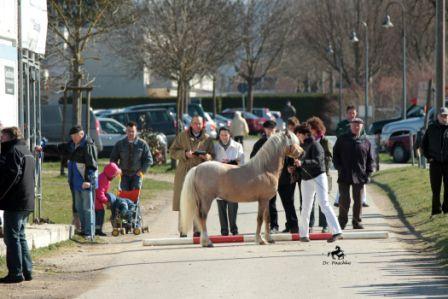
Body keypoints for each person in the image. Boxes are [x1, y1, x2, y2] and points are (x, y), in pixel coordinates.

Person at [293, 124, 342, 243]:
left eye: (298, 134)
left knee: (323, 203)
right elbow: (302, 164)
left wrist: (302, 163)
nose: (297, 136)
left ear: (304, 134)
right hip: (306, 179)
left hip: (319, 176)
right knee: (305, 207)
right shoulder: (300, 146)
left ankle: (337, 231)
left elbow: (318, 161)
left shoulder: (316, 144)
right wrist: (295, 168)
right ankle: (304, 234)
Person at [170, 115, 215, 237]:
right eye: (195, 123)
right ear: (191, 124)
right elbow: (172, 152)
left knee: (198, 202)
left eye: (199, 124)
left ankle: (197, 230)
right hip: (184, 173)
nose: (197, 126)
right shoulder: (182, 136)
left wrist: (207, 157)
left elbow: (213, 155)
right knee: (184, 201)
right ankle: (183, 230)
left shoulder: (207, 139)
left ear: (203, 125)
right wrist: (184, 154)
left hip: (200, 174)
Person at [0, 127, 34, 283]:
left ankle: (15, 273)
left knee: (12, 237)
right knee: (20, 236)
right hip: (26, 201)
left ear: (10, 137)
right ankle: (27, 271)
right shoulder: (26, 150)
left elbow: (12, 177)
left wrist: (0, 195)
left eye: (3, 137)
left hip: (15, 202)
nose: (1, 139)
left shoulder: (13, 151)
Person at [333, 118, 374, 230]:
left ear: (362, 127)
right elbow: (335, 155)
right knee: (344, 200)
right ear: (350, 126)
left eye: (359, 125)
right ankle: (342, 222)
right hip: (344, 174)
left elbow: (370, 160)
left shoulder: (366, 141)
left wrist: (368, 173)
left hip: (360, 175)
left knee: (359, 200)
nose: (356, 127)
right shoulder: (342, 139)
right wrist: (339, 167)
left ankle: (357, 221)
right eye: (354, 125)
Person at [334, 105, 369, 208]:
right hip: (345, 155)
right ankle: (338, 199)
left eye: (353, 113)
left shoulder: (360, 124)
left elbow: (364, 137)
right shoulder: (341, 125)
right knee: (342, 180)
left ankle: (363, 200)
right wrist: (349, 128)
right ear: (346, 114)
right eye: (350, 113)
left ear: (356, 113)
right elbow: (339, 135)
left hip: (357, 155)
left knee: (361, 178)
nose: (352, 115)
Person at [67, 125, 98, 240]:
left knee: (88, 207)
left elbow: (92, 165)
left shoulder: (88, 145)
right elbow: (60, 148)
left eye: (75, 135)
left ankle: (90, 232)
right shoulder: (72, 144)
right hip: (75, 182)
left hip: (85, 182)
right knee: (79, 207)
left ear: (81, 134)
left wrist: (88, 181)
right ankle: (84, 230)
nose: (73, 138)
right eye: (72, 136)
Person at [214, 127, 244, 236]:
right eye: (222, 135)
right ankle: (224, 230)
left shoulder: (237, 146)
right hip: (220, 180)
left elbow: (241, 161)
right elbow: (212, 163)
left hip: (233, 181)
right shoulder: (215, 147)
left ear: (229, 135)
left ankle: (234, 229)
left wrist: (230, 162)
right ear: (219, 136)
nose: (224, 137)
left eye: (226, 135)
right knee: (221, 207)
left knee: (233, 206)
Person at [250, 120, 278, 233]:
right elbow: (252, 158)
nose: (270, 131)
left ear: (275, 130)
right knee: (269, 202)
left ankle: (280, 225)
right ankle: (270, 226)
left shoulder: (279, 142)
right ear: (264, 130)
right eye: (268, 129)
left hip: (280, 176)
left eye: (272, 129)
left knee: (286, 202)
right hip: (265, 178)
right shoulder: (259, 143)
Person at [110, 121, 153, 191]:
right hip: (123, 175)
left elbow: (149, 160)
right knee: (124, 196)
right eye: (129, 131)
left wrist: (142, 171)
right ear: (126, 131)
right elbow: (113, 159)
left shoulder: (142, 144)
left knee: (134, 196)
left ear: (136, 132)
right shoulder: (120, 144)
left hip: (137, 175)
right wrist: (117, 169)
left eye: (133, 131)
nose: (131, 133)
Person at [422, 107, 448, 217]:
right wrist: (429, 157)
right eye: (442, 115)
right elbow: (424, 145)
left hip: (447, 163)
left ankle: (446, 209)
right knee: (435, 188)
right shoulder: (431, 128)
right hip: (435, 162)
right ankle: (436, 210)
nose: (444, 117)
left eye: (446, 115)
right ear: (438, 117)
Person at [307, 116, 332, 233]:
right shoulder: (308, 141)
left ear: (316, 128)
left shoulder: (324, 140)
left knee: (323, 201)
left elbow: (329, 157)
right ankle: (310, 224)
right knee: (310, 201)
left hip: (323, 174)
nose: (309, 131)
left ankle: (324, 225)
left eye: (310, 128)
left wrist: (321, 165)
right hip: (310, 174)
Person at [279, 117, 300, 233]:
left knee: (289, 201)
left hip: (291, 174)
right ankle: (289, 223)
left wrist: (292, 166)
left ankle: (294, 225)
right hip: (282, 173)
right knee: (286, 201)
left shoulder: (296, 140)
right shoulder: (283, 138)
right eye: (290, 127)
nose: (291, 130)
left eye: (293, 128)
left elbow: (296, 154)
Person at [95, 162, 121, 236]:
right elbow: (100, 193)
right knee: (100, 215)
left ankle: (97, 229)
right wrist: (106, 201)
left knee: (99, 215)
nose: (114, 177)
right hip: (96, 201)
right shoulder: (103, 179)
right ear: (110, 174)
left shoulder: (104, 177)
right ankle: (98, 230)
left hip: (97, 200)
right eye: (114, 175)